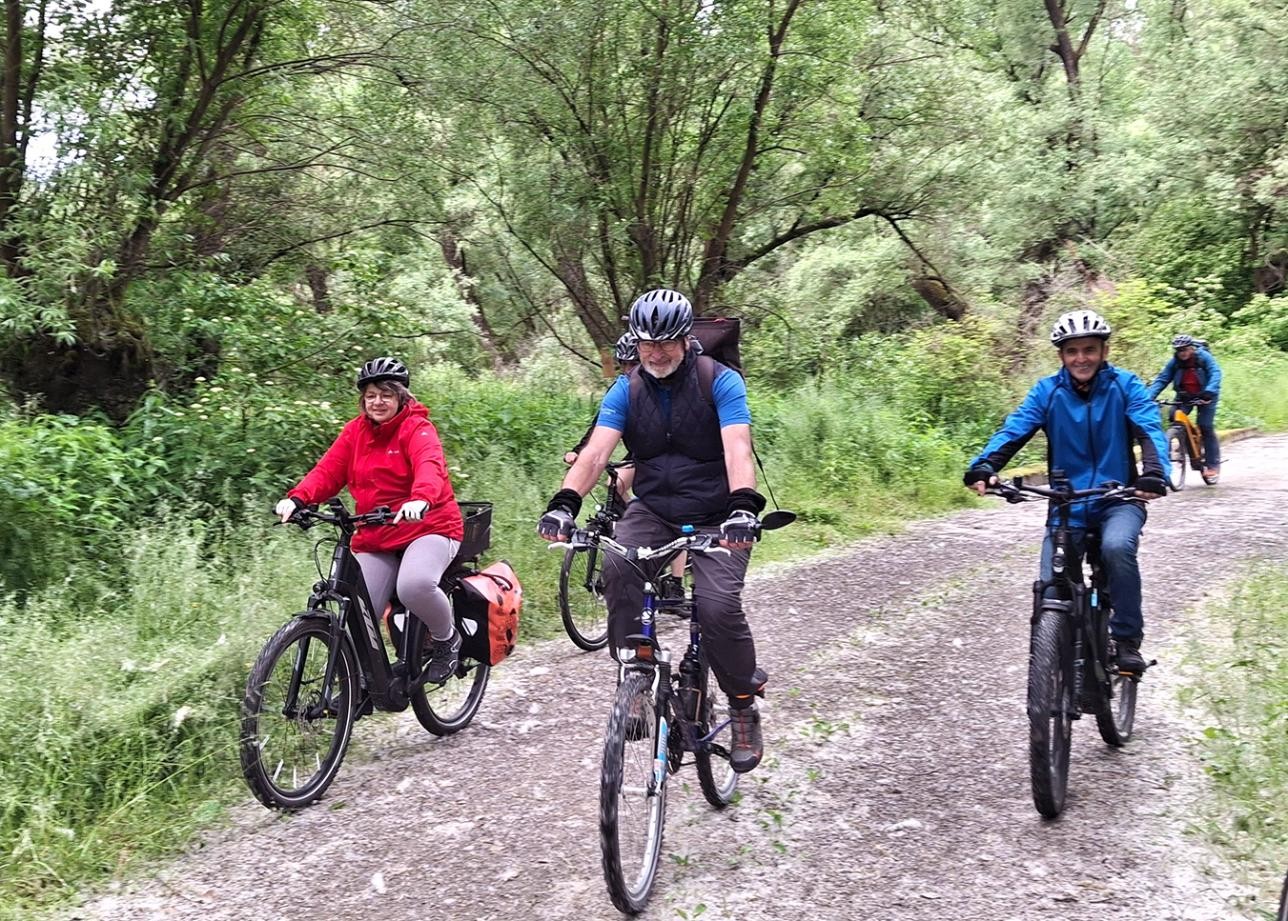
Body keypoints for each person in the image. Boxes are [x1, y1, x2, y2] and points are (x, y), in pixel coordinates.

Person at [537, 288, 769, 773]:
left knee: (717, 605)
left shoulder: (719, 382)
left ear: (685, 340)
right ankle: (637, 675)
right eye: (646, 344)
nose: (656, 353)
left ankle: (743, 703)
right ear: (635, 342)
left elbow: (737, 450)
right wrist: (564, 504)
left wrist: (743, 508)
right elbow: (597, 452)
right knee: (618, 565)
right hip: (655, 509)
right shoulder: (627, 389)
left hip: (716, 511)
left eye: (666, 343)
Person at [963, 310, 1170, 673]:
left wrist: (1153, 474)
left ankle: (1126, 641)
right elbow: (1015, 429)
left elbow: (1149, 429)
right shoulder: (1048, 391)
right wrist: (985, 466)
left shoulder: (1126, 386)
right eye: (1072, 351)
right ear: (1061, 355)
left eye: (1089, 349)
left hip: (1119, 498)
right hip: (1066, 504)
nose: (1081, 358)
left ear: (1104, 351)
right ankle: (1055, 662)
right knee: (1053, 586)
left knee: (1116, 548)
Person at [274, 357, 465, 684]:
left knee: (413, 586)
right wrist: (298, 498)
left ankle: (447, 639)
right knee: (356, 609)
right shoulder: (355, 433)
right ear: (362, 399)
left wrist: (419, 498)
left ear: (401, 396)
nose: (377, 402)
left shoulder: (417, 428)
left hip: (428, 525)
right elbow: (327, 471)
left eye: (386, 394)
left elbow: (429, 467)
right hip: (376, 532)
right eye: (371, 395)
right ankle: (363, 685)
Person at [1147, 333, 1223, 482]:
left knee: (1205, 425)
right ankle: (1182, 441)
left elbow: (1216, 372)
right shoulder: (1175, 362)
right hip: (1185, 396)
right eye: (1179, 350)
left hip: (1206, 395)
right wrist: (1147, 398)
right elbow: (1162, 379)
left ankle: (1212, 464)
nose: (1182, 353)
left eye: (1184, 349)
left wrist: (1210, 391)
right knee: (1174, 416)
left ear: (1191, 348)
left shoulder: (1203, 357)